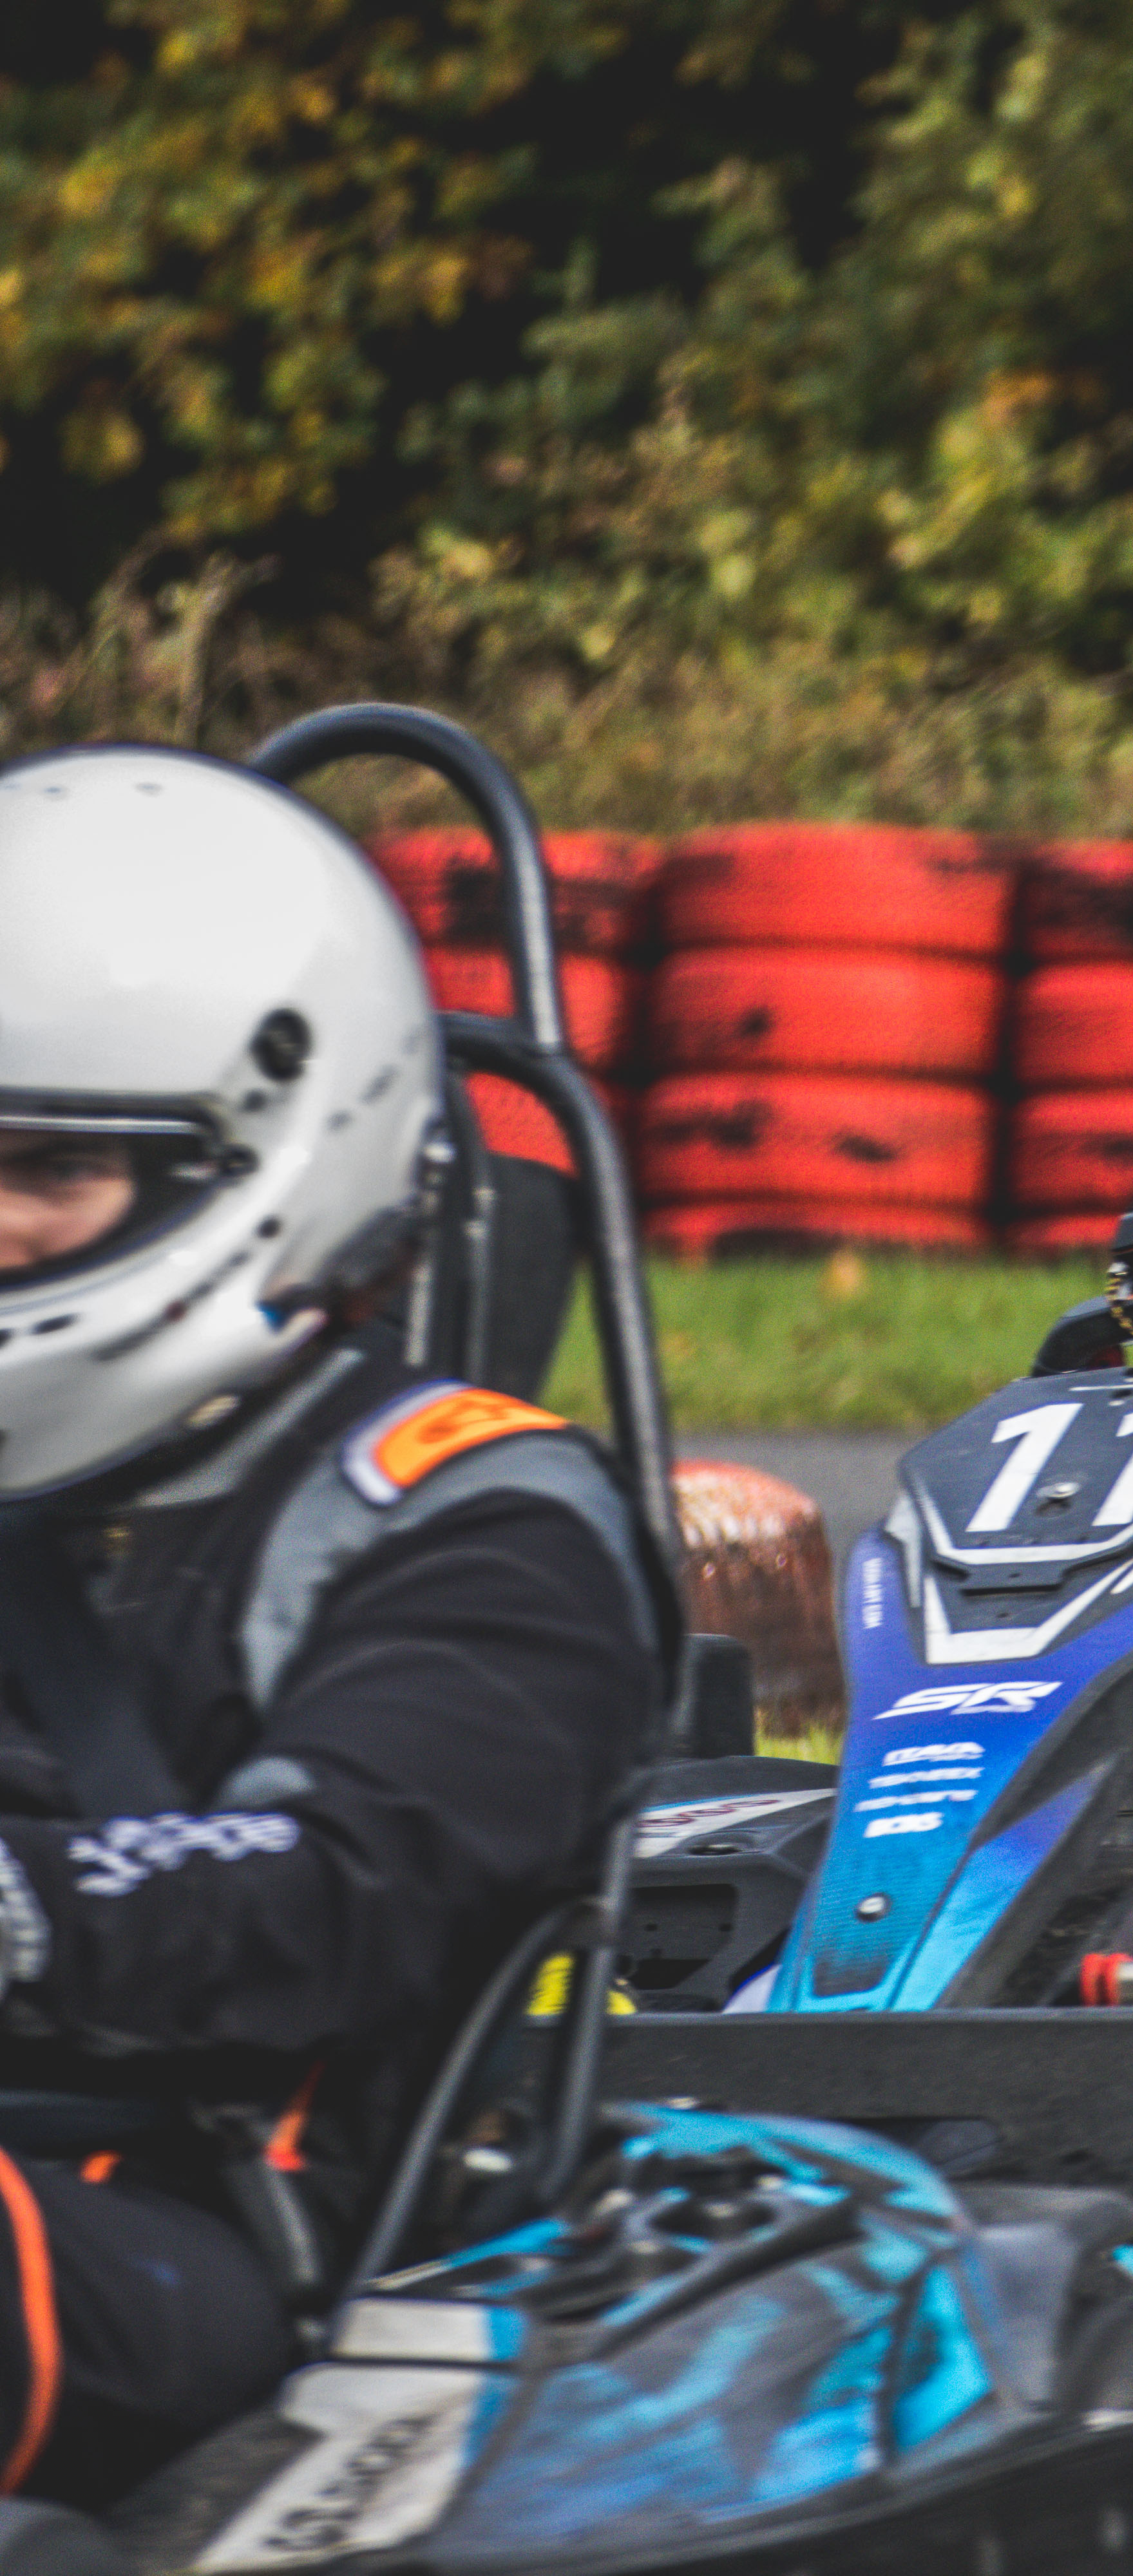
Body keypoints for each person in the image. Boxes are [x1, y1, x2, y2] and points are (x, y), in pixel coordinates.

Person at [0, 749, 662, 2505]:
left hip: (207, 2225)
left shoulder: (477, 1516)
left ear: (259, 1168)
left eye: (45, 1167)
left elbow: (340, 1885)